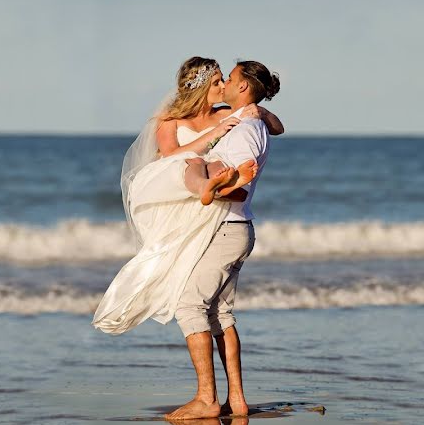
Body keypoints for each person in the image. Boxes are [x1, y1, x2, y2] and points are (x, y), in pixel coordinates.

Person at [91, 57, 282, 337]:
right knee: (191, 163)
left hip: (208, 200)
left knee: (213, 306)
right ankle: (214, 185)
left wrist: (259, 112)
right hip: (179, 182)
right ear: (201, 87)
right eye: (216, 81)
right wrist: (213, 135)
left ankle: (222, 184)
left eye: (224, 80)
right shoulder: (169, 120)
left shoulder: (225, 113)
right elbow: (169, 155)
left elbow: (278, 127)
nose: (222, 85)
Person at [164, 60, 279, 420]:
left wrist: (217, 189)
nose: (225, 83)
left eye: (228, 78)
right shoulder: (249, 120)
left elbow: (240, 190)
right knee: (220, 313)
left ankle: (206, 399)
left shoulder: (243, 129)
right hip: (237, 229)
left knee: (189, 306)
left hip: (225, 227)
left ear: (243, 87)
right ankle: (238, 401)